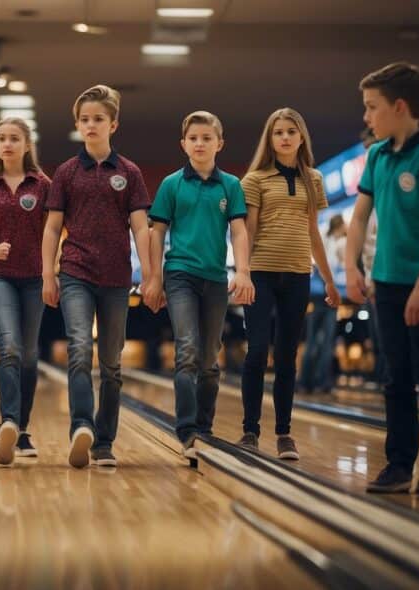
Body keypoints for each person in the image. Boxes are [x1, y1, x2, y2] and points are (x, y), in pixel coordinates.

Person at [346, 62, 419, 496]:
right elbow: (359, 218)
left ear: (400, 106)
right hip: (386, 282)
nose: (367, 117)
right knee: (395, 375)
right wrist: (353, 266)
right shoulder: (377, 156)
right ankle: (398, 464)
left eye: (373, 108)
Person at [42, 85, 152, 469]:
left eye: (98, 119)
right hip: (75, 272)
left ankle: (104, 441)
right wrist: (48, 274)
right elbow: (53, 228)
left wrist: (150, 272)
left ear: (113, 124)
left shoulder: (130, 173)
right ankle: (81, 426)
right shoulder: (66, 172)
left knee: (111, 364)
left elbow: (141, 228)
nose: (91, 125)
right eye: (85, 119)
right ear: (77, 125)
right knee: (78, 349)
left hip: (117, 278)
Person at [142, 111, 254, 460]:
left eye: (207, 138)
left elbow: (238, 229)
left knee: (209, 360)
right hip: (180, 275)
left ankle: (204, 427)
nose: (200, 143)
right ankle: (187, 429)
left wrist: (244, 271)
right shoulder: (171, 184)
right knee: (187, 350)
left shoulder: (231, 185)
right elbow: (156, 231)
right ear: (183, 144)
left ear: (219, 143)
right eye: (194, 138)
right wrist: (154, 277)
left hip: (216, 278)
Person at [237, 107, 339, 460]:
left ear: (300, 137)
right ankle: (250, 430)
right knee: (256, 351)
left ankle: (284, 434)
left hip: (298, 274)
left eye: (290, 131)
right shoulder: (255, 179)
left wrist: (329, 279)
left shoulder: (313, 179)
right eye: (278, 131)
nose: (284, 137)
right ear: (270, 138)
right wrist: (243, 271)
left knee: (286, 357)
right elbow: (247, 231)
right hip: (261, 273)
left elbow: (314, 232)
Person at [0, 117, 50, 465]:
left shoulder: (43, 184)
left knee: (29, 355)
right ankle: (9, 421)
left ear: (26, 144)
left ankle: (23, 430)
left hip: (34, 276)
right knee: (11, 348)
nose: (8, 144)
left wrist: (52, 271)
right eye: (2, 138)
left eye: (14, 139)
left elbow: (54, 228)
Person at [300, 215, 346, 395]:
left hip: (317, 295)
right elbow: (334, 270)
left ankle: (306, 382)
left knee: (314, 341)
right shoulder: (335, 242)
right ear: (340, 225)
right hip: (328, 296)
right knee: (326, 341)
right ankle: (319, 382)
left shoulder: (326, 240)